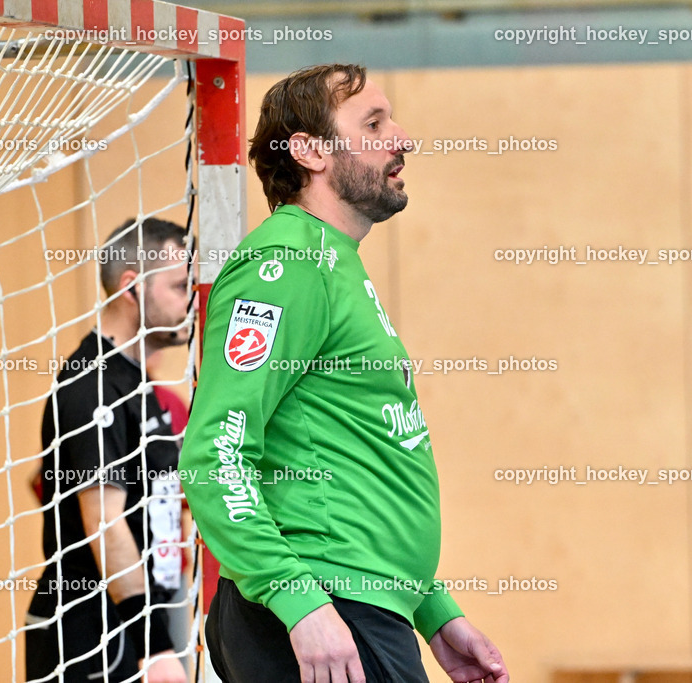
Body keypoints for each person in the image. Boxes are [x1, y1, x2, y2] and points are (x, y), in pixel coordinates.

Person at [179, 64, 510, 683]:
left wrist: (428, 607)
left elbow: (356, 459)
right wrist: (302, 604)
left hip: (361, 604)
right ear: (308, 151)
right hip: (323, 612)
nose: (401, 137)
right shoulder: (287, 264)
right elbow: (212, 455)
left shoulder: (333, 264)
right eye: (374, 123)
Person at [26, 217, 191, 683]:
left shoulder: (137, 382)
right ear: (132, 287)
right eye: (179, 286)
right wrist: (156, 648)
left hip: (135, 626)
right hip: (87, 637)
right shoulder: (94, 383)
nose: (190, 300)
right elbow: (104, 519)